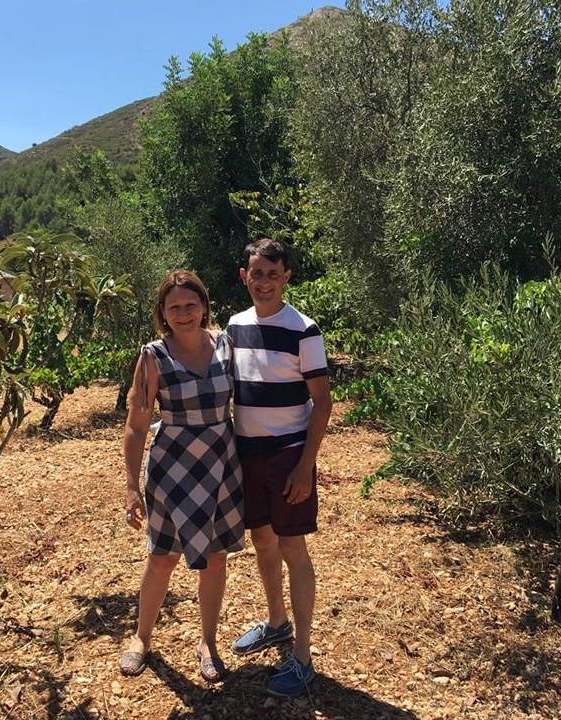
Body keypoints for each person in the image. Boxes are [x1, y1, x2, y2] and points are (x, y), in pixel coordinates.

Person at [120, 269, 244, 683]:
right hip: (172, 466)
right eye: (174, 307)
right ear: (163, 312)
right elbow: (137, 424)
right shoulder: (153, 357)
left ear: (204, 306)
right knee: (162, 557)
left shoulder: (226, 345)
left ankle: (208, 643)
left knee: (216, 557)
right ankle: (141, 638)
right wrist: (131, 487)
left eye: (191, 304)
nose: (184, 313)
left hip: (221, 462)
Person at [226, 238, 332, 697]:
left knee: (293, 549)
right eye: (257, 273)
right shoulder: (234, 326)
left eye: (273, 273)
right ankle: (276, 623)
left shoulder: (303, 330)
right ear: (244, 276)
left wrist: (305, 466)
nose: (264, 281)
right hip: (247, 455)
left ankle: (303, 657)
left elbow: (322, 402)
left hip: (289, 456)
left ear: (286, 277)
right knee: (262, 541)